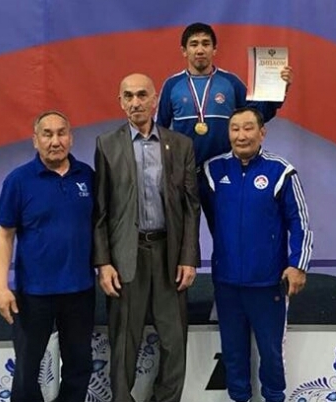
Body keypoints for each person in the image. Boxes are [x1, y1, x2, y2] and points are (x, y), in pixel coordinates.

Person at [93, 73, 201, 402]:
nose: (136, 102)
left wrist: (188, 257)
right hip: (127, 257)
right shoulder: (106, 145)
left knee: (174, 341)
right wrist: (103, 263)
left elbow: (191, 207)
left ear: (155, 100)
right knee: (124, 341)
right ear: (120, 102)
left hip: (169, 255)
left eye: (142, 95)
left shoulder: (180, 145)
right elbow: (100, 211)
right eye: (128, 96)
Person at [201, 107, 313, 402]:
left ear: (262, 133)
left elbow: (300, 222)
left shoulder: (281, 172)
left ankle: (274, 397)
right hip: (227, 283)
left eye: (248, 128)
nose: (242, 135)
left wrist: (298, 265)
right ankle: (239, 398)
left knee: (271, 353)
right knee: (233, 353)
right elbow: (209, 217)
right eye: (235, 129)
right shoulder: (213, 171)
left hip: (267, 284)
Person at [0, 110, 95, 402]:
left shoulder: (87, 176)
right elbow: (4, 236)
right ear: (35, 140)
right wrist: (1, 287)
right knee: (27, 367)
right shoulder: (18, 181)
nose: (55, 141)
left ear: (71, 138)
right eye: (47, 134)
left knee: (79, 365)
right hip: (33, 294)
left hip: (80, 290)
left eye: (61, 133)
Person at [156, 22, 294, 168]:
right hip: (184, 169)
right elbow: (159, 129)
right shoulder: (172, 85)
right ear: (184, 51)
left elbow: (258, 115)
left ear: (214, 49)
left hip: (224, 170)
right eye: (194, 44)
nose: (200, 50)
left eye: (206, 44)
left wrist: (279, 89)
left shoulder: (231, 82)